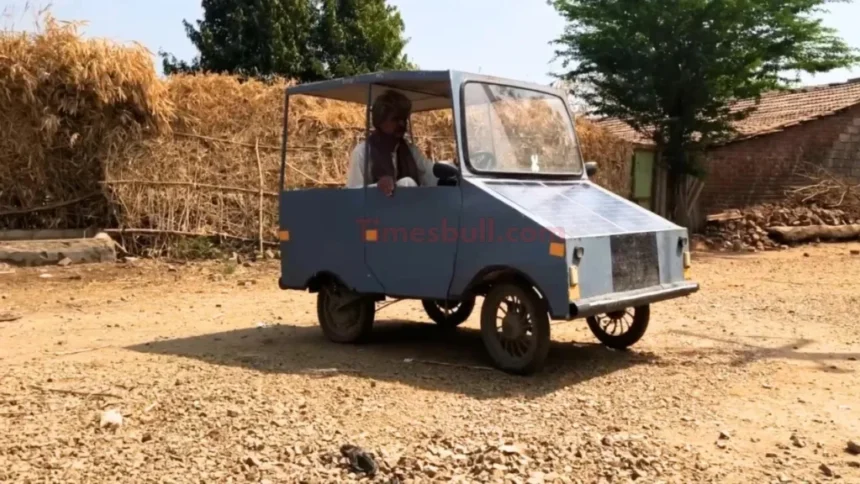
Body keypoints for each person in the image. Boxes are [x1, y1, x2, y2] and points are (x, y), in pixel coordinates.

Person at [346, 89, 438, 196]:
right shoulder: (363, 152)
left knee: (407, 183)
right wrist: (378, 186)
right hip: (377, 206)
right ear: (380, 121)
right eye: (395, 119)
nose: (402, 124)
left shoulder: (410, 150)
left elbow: (430, 174)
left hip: (411, 205)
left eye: (404, 119)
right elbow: (353, 194)